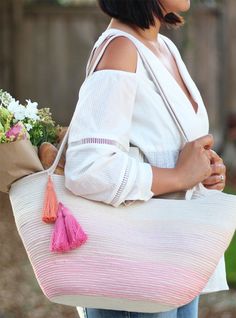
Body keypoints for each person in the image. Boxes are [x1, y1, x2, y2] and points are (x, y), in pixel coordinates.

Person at [64, 0, 228, 317]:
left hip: (176, 253)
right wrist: (180, 176)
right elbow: (87, 169)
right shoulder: (121, 51)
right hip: (135, 264)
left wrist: (205, 169)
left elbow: (164, 145)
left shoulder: (162, 46)